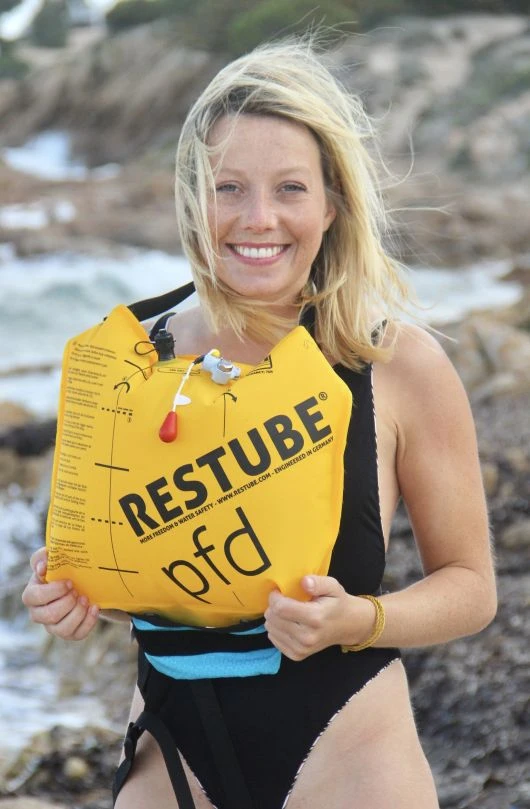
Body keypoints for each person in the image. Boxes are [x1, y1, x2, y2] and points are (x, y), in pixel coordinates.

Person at [22, 37, 497, 809]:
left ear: (331, 204)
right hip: (174, 753)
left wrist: (362, 617)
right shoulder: (127, 361)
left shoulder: (394, 365)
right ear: (192, 198)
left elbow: (472, 587)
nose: (259, 218)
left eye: (290, 188)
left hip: (349, 750)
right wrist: (68, 597)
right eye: (229, 187)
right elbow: (119, 569)